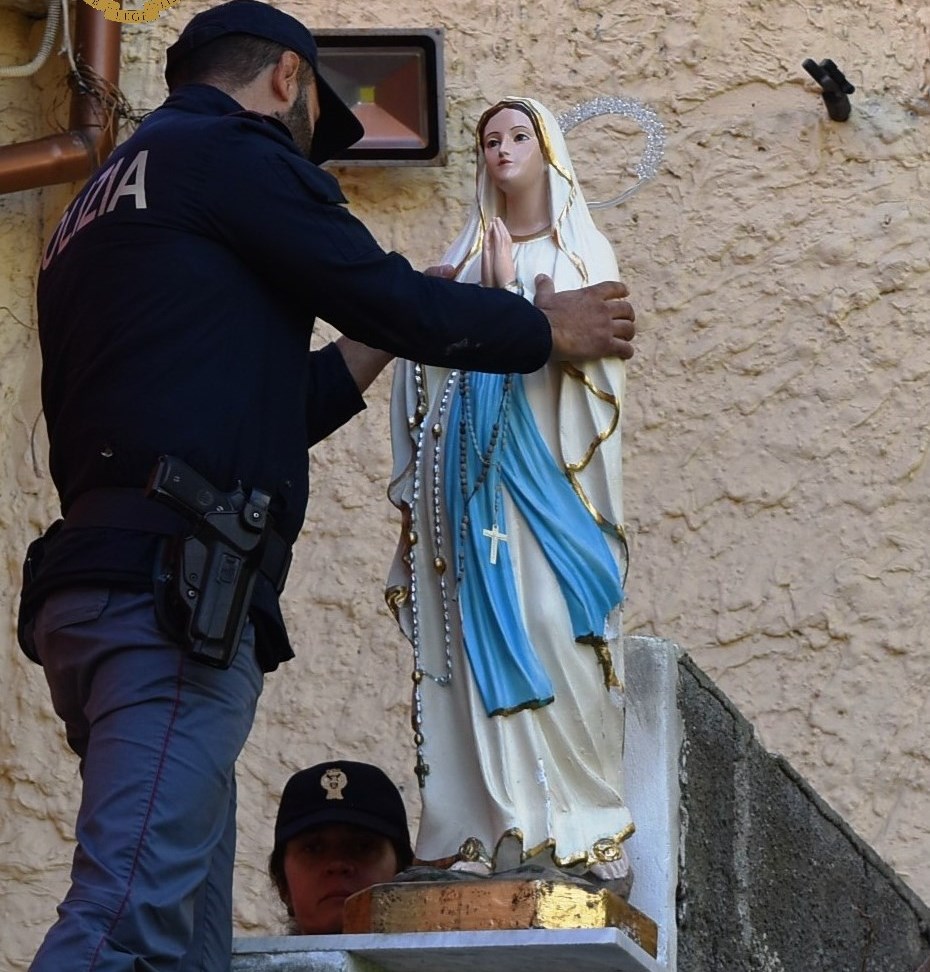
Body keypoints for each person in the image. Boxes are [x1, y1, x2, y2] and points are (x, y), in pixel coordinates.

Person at [18, 1, 636, 967]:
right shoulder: (234, 154)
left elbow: (261, 402)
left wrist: (385, 332)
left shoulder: (105, 197)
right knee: (127, 926)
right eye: (314, 128)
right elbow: (377, 286)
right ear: (286, 82)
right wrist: (544, 332)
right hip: (169, 601)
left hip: (102, 590)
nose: (315, 156)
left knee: (181, 938)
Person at [387, 97, 634, 888]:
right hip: (472, 491)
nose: (501, 150)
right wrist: (455, 307)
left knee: (549, 623)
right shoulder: (462, 256)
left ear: (549, 150)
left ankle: (578, 823)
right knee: (465, 639)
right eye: (490, 139)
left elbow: (600, 364)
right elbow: (424, 372)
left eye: (518, 136)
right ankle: (482, 827)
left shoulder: (583, 252)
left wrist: (510, 305)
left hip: (547, 486)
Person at [268, 760, 413, 935]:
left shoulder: (452, 962)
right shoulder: (231, 963)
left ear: (402, 873)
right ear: (283, 883)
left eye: (362, 847)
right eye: (313, 848)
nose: (337, 865)